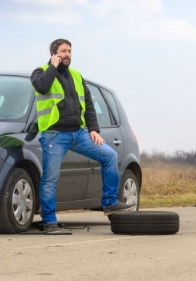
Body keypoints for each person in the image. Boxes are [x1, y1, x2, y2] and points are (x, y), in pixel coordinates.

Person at [31, 38, 133, 234]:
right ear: (54, 53)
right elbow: (42, 87)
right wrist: (53, 66)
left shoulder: (77, 76)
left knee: (109, 156)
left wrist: (93, 129)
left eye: (70, 51)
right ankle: (49, 223)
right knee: (50, 178)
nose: (68, 54)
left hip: (78, 133)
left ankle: (110, 202)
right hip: (54, 135)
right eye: (63, 51)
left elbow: (89, 105)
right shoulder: (40, 72)